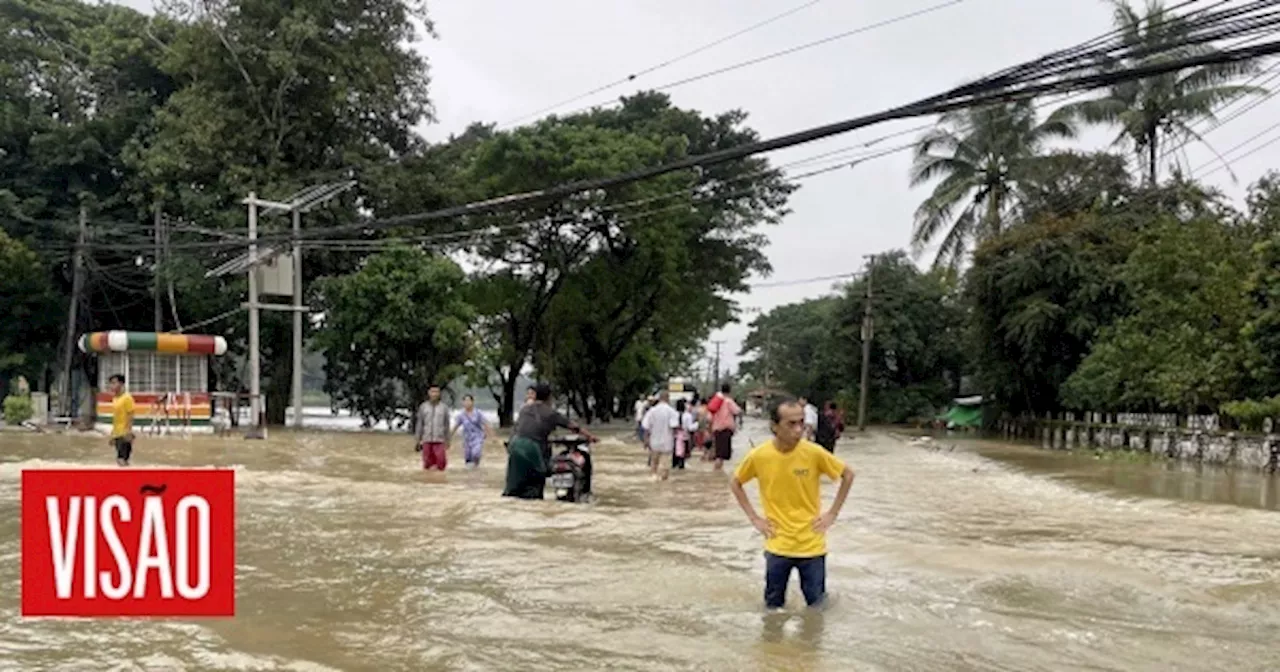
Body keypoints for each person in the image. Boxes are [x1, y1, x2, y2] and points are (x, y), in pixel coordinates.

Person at [730, 400, 855, 611]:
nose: (798, 430)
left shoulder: (814, 453)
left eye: (801, 423)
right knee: (772, 610)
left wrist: (832, 513)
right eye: (791, 424)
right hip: (777, 543)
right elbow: (735, 482)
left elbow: (848, 475)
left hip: (812, 544)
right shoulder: (759, 456)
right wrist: (755, 519)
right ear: (774, 426)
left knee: (817, 609)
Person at [504, 383, 597, 499]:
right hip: (531, 447)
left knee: (513, 486)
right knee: (535, 484)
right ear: (549, 397)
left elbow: (520, 429)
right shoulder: (550, 413)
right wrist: (591, 437)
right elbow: (574, 427)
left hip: (515, 445)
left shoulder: (524, 410)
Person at [642, 391, 679, 481]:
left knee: (654, 464)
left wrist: (646, 440)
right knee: (665, 466)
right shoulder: (672, 411)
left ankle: (653, 479)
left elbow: (646, 427)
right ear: (668, 398)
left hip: (654, 442)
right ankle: (664, 483)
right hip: (667, 442)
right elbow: (674, 427)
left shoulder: (652, 411)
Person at [414, 385, 453, 471]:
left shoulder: (444, 408)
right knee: (427, 463)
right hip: (426, 439)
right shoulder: (423, 407)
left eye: (436, 392)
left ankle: (439, 480)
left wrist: (448, 440)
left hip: (439, 440)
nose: (434, 394)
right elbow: (420, 424)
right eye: (432, 392)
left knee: (441, 462)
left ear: (439, 394)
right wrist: (417, 440)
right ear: (429, 393)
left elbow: (446, 424)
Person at [708, 383, 741, 471]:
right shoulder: (728, 401)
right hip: (725, 430)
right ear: (729, 391)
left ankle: (718, 473)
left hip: (716, 429)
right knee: (721, 455)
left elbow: (710, 417)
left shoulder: (717, 400)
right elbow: (737, 411)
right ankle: (716, 473)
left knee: (719, 454)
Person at [453, 394, 491, 468]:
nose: (467, 403)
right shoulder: (461, 415)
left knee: (476, 453)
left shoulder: (478, 413)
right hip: (467, 438)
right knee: (468, 456)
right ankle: (471, 472)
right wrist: (449, 437)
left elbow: (486, 424)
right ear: (463, 403)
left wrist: (492, 437)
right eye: (465, 401)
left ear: (472, 402)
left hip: (477, 437)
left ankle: (476, 464)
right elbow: (456, 426)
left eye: (469, 400)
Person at [107, 374, 136, 467]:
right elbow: (116, 418)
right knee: (122, 460)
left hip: (124, 434)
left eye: (114, 383)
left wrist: (129, 431)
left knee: (121, 459)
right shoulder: (115, 399)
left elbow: (130, 415)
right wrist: (112, 435)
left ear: (121, 384)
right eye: (110, 383)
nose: (111, 386)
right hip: (117, 434)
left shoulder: (127, 398)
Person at [673, 399, 697, 470]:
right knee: (683, 455)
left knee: (674, 456)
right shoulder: (688, 416)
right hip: (684, 437)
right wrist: (697, 424)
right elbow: (690, 428)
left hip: (674, 437)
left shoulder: (673, 414)